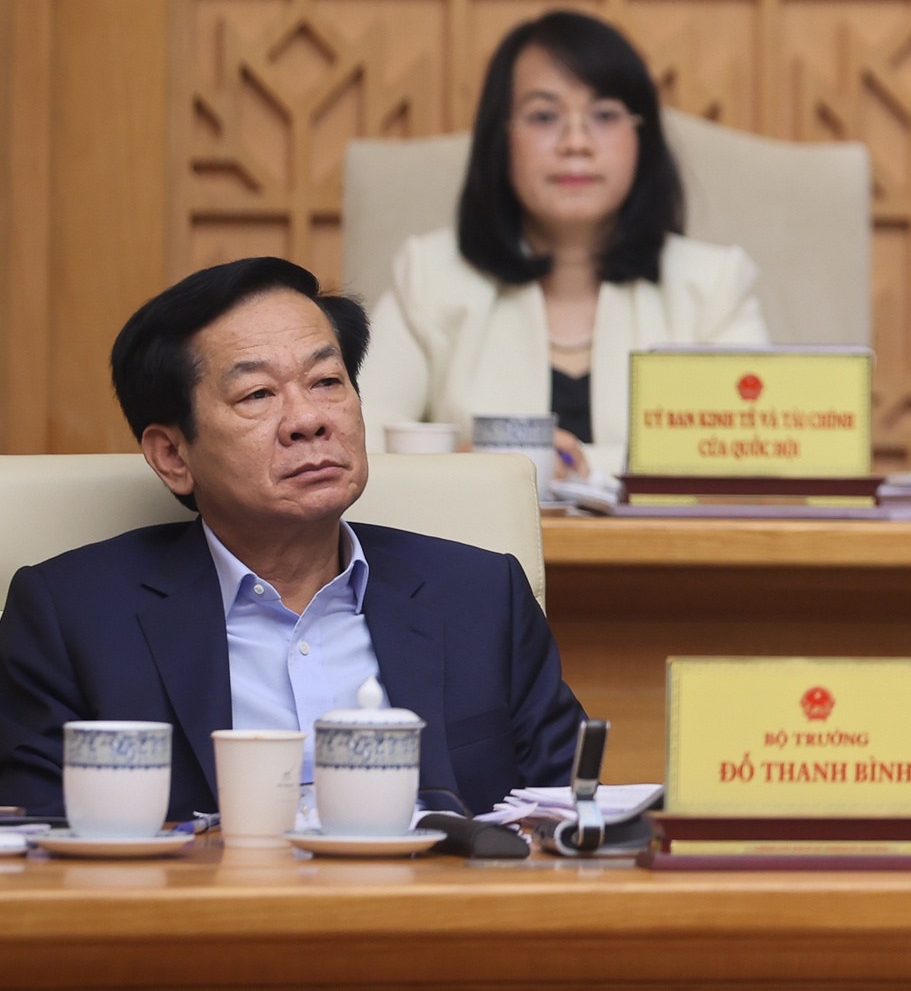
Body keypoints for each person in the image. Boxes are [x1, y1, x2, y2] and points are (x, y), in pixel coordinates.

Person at [0, 258, 585, 820]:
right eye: (257, 394)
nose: (309, 419)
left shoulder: (482, 597)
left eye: (327, 381)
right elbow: (40, 845)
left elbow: (574, 818)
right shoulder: (71, 619)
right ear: (173, 455)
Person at [362, 10, 769, 475]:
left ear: (643, 137)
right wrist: (464, 468)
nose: (576, 142)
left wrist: (539, 465)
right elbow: (357, 448)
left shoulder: (712, 286)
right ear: (501, 138)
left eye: (605, 115)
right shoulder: (428, 277)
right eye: (544, 116)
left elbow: (752, 456)